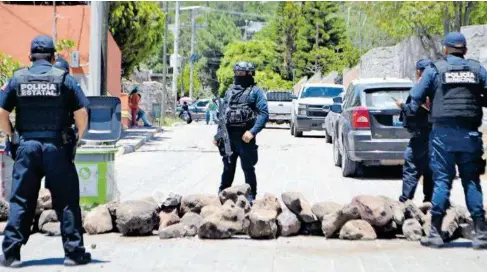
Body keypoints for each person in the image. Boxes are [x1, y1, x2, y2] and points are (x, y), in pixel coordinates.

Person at [0, 35, 91, 267]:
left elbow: (1, 112)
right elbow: (82, 114)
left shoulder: (17, 79)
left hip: (26, 147)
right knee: (67, 201)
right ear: (53, 56)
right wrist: (77, 139)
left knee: (21, 200)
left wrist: (11, 135)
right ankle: (73, 253)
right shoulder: (64, 79)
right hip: (57, 148)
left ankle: (11, 254)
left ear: (30, 56)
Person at [406, 32, 487, 249]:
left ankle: (435, 233)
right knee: (472, 181)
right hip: (470, 135)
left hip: (443, 136)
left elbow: (416, 97)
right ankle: (481, 233)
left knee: (442, 181)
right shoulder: (478, 70)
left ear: (445, 49)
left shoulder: (435, 69)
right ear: (465, 50)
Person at [213, 61, 268, 203]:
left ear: (249, 74)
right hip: (229, 137)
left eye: (242, 73)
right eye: (237, 73)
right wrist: (218, 135)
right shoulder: (229, 92)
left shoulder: (256, 91)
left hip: (245, 137)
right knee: (227, 168)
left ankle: (251, 196)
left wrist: (252, 132)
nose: (238, 76)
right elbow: (222, 115)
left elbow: (263, 114)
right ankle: (222, 195)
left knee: (248, 168)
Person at [396, 59, 433, 203]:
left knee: (411, 164)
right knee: (431, 168)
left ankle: (405, 201)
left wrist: (401, 106)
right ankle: (429, 201)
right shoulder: (438, 86)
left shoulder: (421, 86)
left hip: (422, 134)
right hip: (437, 134)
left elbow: (412, 110)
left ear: (418, 71)